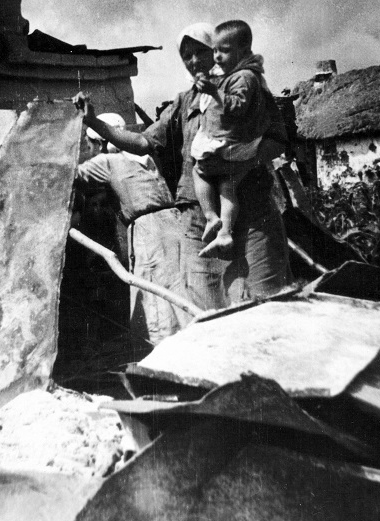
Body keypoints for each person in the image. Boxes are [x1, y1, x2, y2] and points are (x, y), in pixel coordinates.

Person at [73, 22, 290, 312]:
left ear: (216, 50)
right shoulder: (184, 102)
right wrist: (94, 122)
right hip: (199, 222)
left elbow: (278, 140)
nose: (194, 61)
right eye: (187, 56)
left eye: (201, 51)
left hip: (251, 212)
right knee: (206, 310)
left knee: (266, 303)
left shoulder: (247, 86)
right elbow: (142, 142)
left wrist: (240, 161)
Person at [76, 113, 186, 345]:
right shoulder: (146, 158)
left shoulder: (107, 161)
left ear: (101, 143)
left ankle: (163, 349)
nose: (90, 150)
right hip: (174, 224)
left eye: (90, 145)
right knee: (178, 291)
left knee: (154, 298)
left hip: (150, 232)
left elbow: (72, 177)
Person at [191, 20, 273, 259]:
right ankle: (225, 231)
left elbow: (237, 106)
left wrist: (214, 92)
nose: (217, 56)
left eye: (224, 51)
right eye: (215, 50)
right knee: (228, 186)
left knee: (199, 170)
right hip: (237, 147)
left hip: (228, 144)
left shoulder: (244, 77)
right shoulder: (237, 75)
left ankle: (210, 216)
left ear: (244, 50)